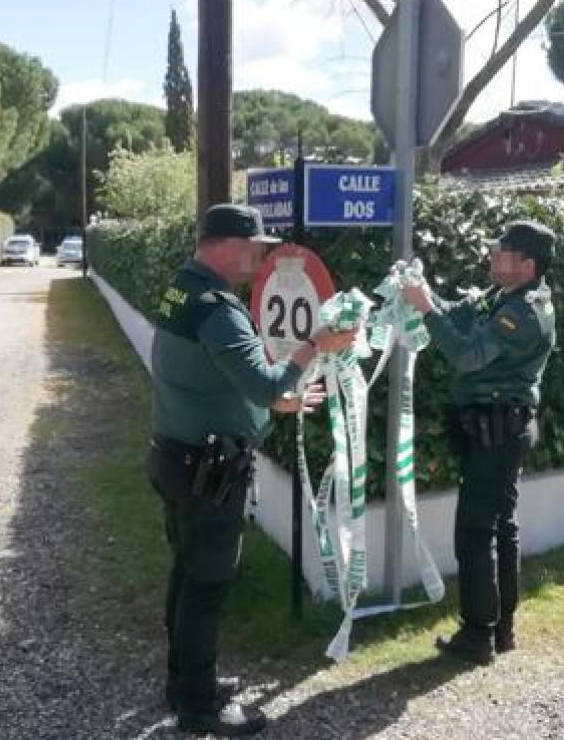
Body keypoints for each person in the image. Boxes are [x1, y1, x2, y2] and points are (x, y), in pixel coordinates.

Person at [150, 203, 356, 736]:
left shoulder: (180, 289)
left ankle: (182, 681)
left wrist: (273, 405)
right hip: (209, 472)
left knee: (187, 570)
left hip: (175, 456)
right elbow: (263, 383)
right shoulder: (219, 308)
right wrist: (316, 345)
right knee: (208, 583)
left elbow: (211, 378)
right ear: (226, 245)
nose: (257, 258)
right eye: (253, 247)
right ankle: (198, 704)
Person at [401, 220, 557, 665]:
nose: (491, 256)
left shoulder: (524, 311)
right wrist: (426, 294)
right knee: (500, 526)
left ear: (526, 265)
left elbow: (468, 355)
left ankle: (478, 634)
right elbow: (460, 314)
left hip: (499, 431)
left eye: (500, 252)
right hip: (499, 428)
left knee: (475, 530)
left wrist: (426, 310)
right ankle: (501, 627)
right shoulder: (504, 298)